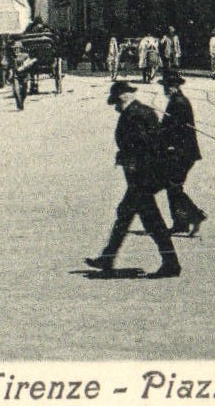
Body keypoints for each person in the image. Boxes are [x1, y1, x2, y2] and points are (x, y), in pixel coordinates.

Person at [85, 81, 181, 278]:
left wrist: (127, 158)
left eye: (116, 104)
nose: (115, 108)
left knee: (152, 221)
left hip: (142, 177)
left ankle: (171, 263)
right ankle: (108, 257)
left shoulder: (134, 115)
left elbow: (143, 145)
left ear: (123, 98)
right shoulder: (142, 111)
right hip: (143, 175)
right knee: (125, 214)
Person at [158, 69, 207, 235]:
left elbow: (175, 130)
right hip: (182, 151)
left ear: (173, 87)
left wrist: (168, 143)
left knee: (173, 186)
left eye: (167, 86)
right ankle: (180, 222)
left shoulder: (178, 102)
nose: (165, 89)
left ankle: (194, 215)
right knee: (172, 185)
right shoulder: (177, 100)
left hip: (182, 152)